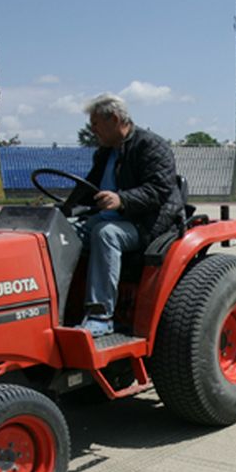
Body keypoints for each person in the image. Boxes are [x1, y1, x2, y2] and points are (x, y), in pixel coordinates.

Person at [72, 93, 183, 337]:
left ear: (113, 119)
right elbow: (88, 189)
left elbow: (159, 190)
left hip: (147, 222)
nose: (93, 131)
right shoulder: (104, 153)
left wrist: (122, 200)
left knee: (106, 234)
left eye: (96, 124)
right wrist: (61, 209)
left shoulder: (151, 146)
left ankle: (101, 316)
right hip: (111, 216)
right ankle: (65, 305)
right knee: (64, 231)